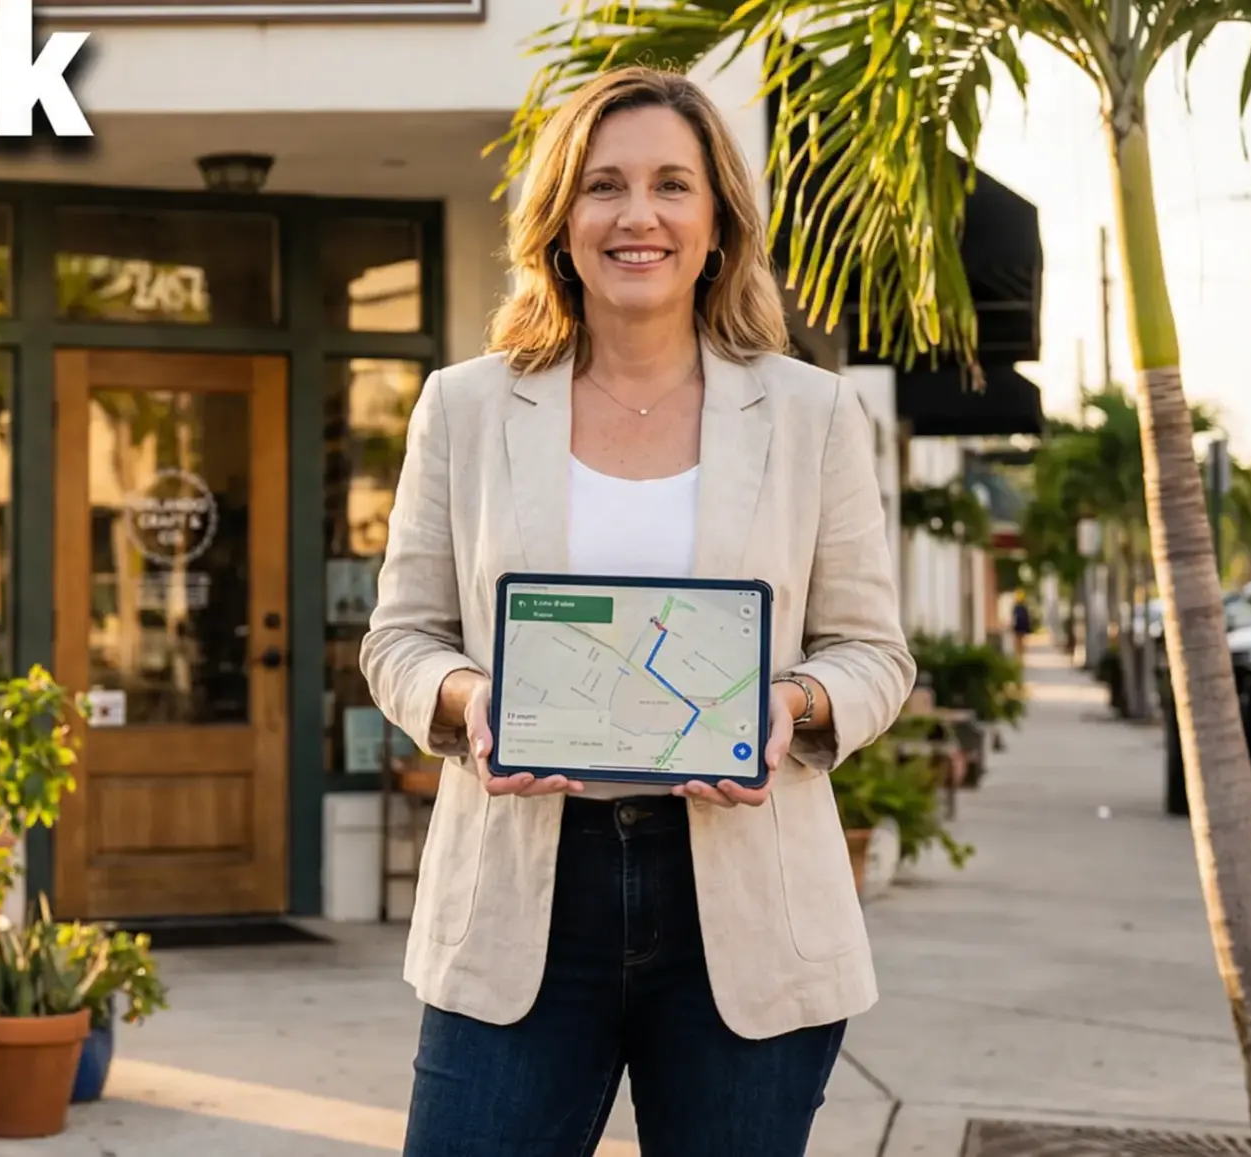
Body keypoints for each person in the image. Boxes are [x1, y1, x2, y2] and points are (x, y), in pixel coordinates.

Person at [362, 67, 914, 1157]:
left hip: (744, 910)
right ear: (560, 220)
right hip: (521, 899)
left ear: (717, 223)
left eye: (671, 184)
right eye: (603, 185)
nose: (637, 215)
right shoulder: (464, 407)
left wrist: (790, 704)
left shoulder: (811, 412)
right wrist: (471, 697)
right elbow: (401, 639)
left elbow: (871, 653)